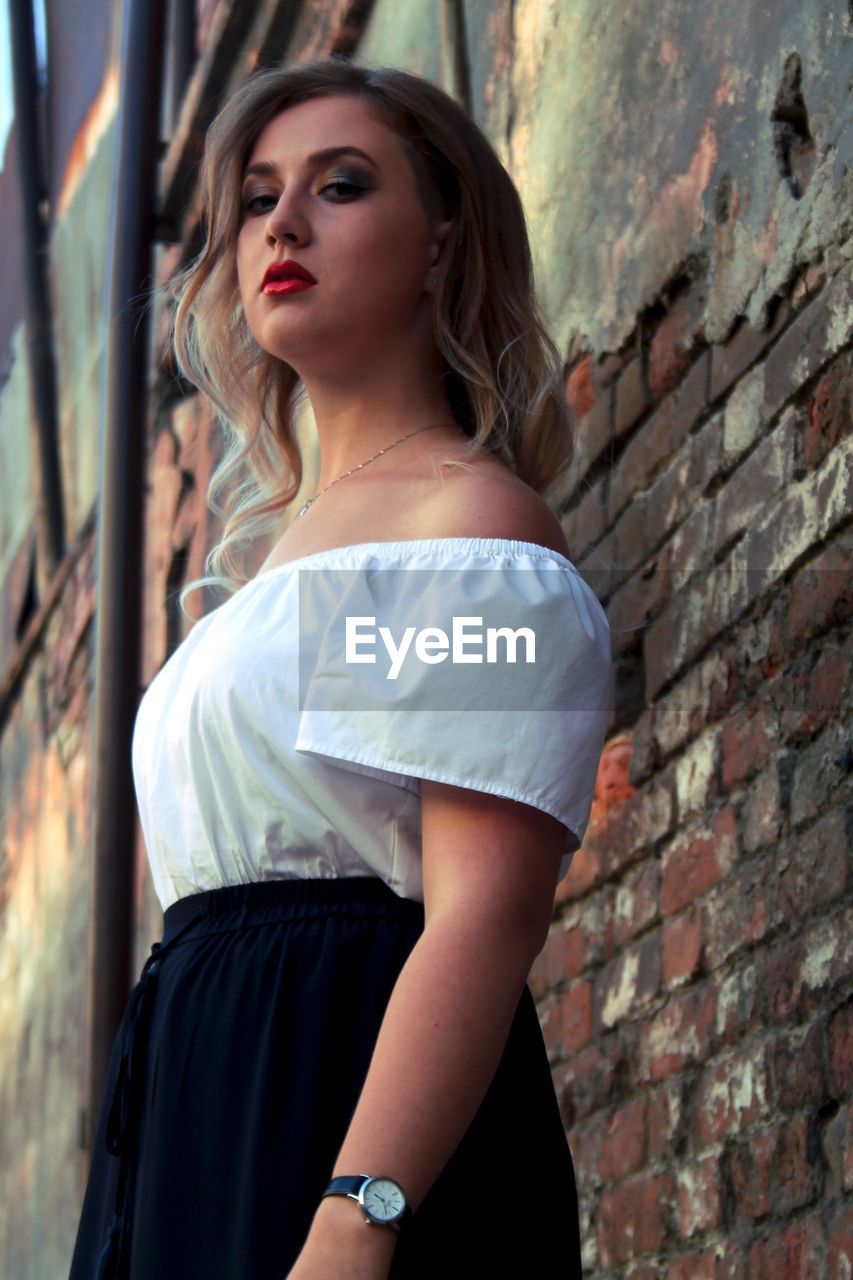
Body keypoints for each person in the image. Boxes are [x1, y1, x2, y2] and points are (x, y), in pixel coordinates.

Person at [68, 56, 613, 1280]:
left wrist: (354, 1215)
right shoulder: (254, 569)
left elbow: (484, 912)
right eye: (257, 199)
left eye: (342, 185)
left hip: (344, 1109)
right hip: (194, 1099)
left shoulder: (467, 533)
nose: (283, 226)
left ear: (438, 245)